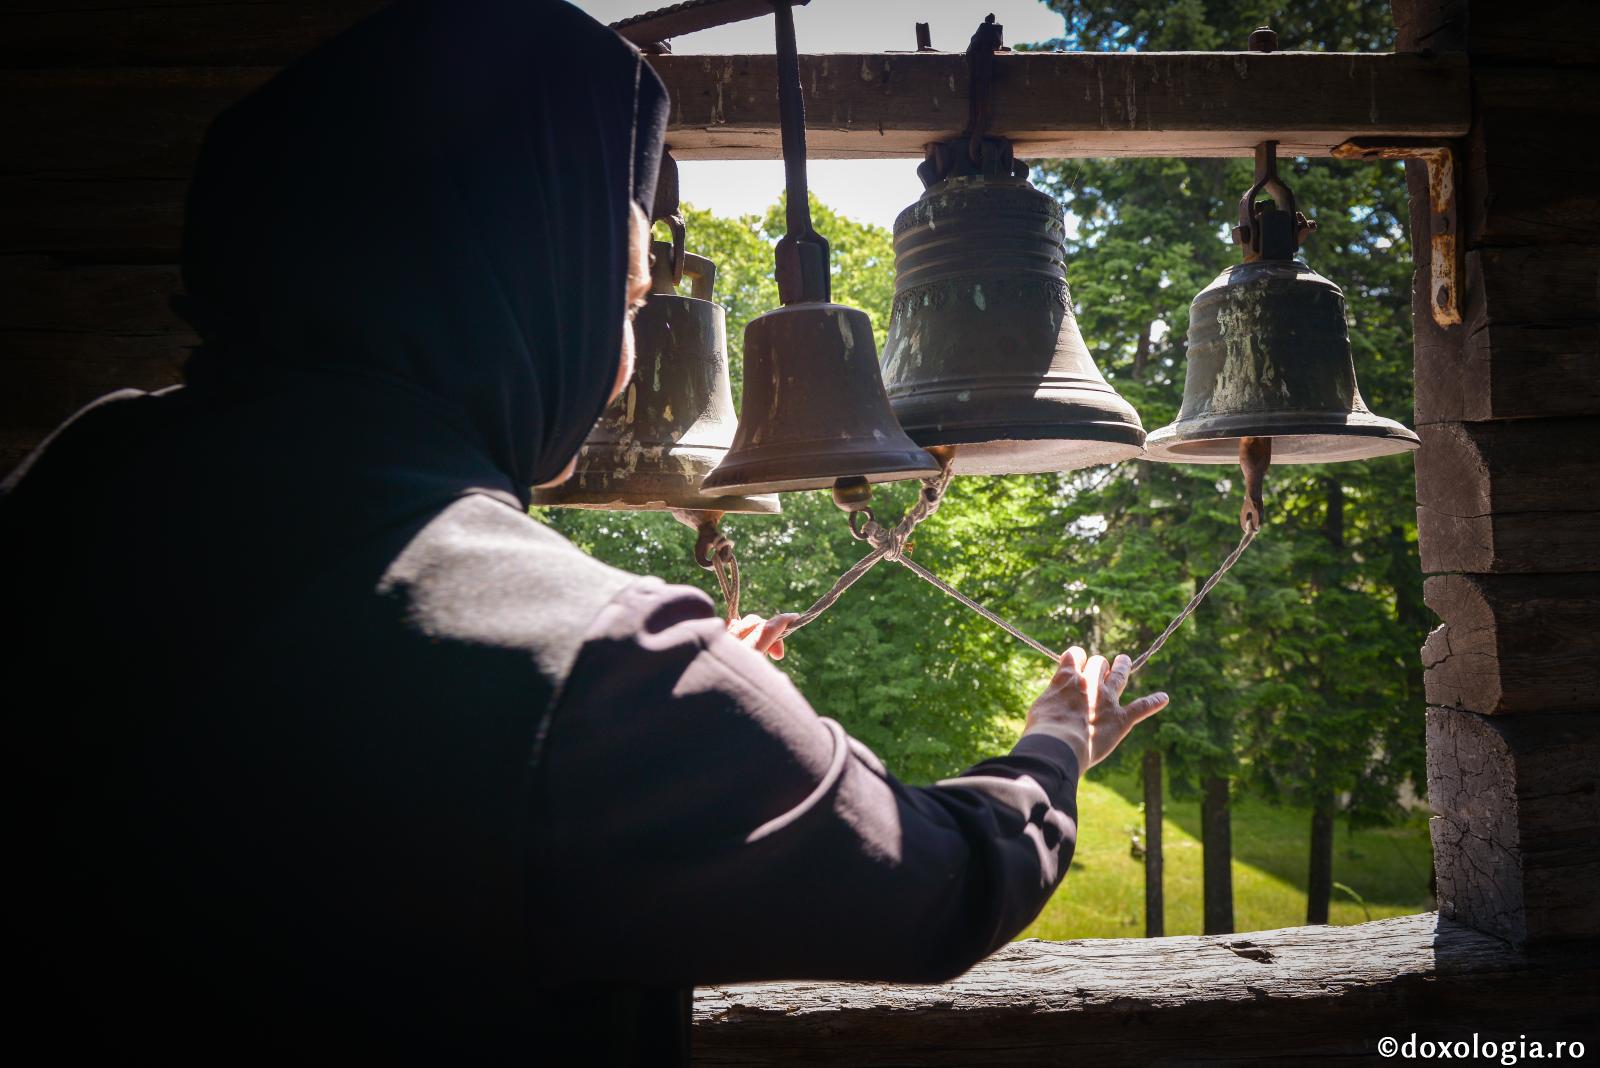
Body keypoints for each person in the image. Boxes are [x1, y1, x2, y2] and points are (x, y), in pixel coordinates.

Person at [0, 1, 1167, 1062]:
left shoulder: (77, 479)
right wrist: (1054, 743)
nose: (621, 370)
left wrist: (675, 713)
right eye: (619, 302)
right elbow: (938, 888)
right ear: (512, 289)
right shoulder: (600, 664)